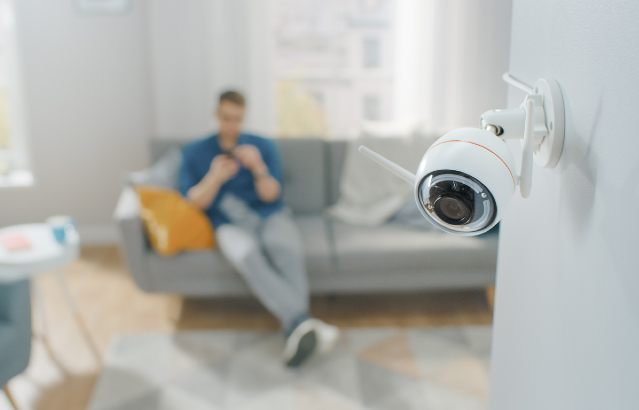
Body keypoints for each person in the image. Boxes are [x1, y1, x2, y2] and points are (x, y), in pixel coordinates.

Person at [179, 90, 339, 367]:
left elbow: (271, 195)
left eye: (238, 119)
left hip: (269, 215)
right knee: (250, 258)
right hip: (228, 225)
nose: (232, 126)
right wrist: (214, 177)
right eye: (227, 118)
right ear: (217, 115)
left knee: (286, 249)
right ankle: (302, 323)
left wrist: (258, 168)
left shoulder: (261, 146)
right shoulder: (196, 152)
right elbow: (194, 201)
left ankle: (297, 329)